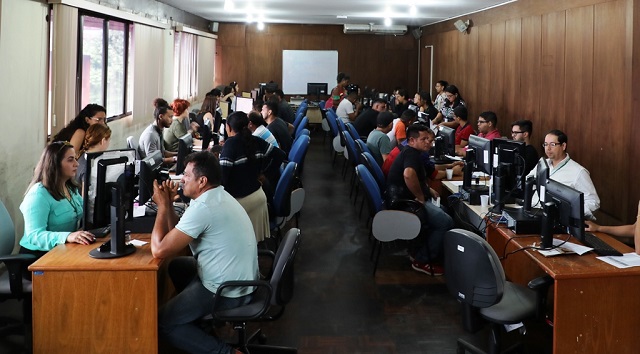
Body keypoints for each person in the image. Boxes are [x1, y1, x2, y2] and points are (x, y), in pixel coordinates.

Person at [151, 151, 256, 354]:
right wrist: (170, 205)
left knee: (163, 321)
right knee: (177, 266)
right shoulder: (215, 196)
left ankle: (226, 352)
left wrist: (163, 207)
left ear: (202, 181)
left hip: (228, 290)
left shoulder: (204, 207)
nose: (181, 179)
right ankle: (197, 327)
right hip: (236, 279)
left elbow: (159, 249)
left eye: (187, 176)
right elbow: (177, 234)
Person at [19, 142, 98, 279]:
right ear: (55, 164)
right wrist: (67, 236)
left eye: (75, 158)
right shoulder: (38, 195)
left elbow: (85, 210)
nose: (77, 164)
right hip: (37, 258)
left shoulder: (69, 188)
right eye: (70, 159)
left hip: (62, 250)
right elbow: (34, 235)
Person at [386, 124, 454, 276]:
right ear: (411, 141)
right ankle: (422, 260)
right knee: (446, 222)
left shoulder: (414, 153)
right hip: (404, 203)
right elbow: (409, 175)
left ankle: (420, 250)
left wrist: (427, 189)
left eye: (429, 140)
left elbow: (417, 176)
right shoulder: (411, 154)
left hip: (405, 198)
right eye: (424, 139)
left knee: (445, 210)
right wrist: (421, 197)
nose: (428, 143)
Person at [220, 111, 286, 242]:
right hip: (258, 197)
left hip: (240, 202)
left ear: (228, 127)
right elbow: (280, 155)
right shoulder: (256, 140)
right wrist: (265, 174)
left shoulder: (231, 144)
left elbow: (222, 179)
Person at [527, 129, 600, 218]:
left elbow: (593, 202)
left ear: (563, 146)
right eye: (545, 144)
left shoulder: (579, 172)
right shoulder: (543, 163)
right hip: (534, 211)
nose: (548, 148)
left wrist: (570, 213)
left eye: (552, 145)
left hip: (558, 219)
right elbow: (528, 182)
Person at [382, 126, 463, 179]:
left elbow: (429, 168)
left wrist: (450, 165)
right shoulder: (415, 153)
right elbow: (434, 175)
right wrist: (452, 172)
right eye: (425, 139)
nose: (430, 144)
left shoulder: (407, 145)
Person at [138, 98, 176, 165]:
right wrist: (174, 159)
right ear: (161, 116)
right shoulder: (151, 135)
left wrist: (179, 154)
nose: (172, 120)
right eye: (170, 117)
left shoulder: (159, 130)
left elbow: (163, 152)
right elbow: (154, 161)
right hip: (152, 172)